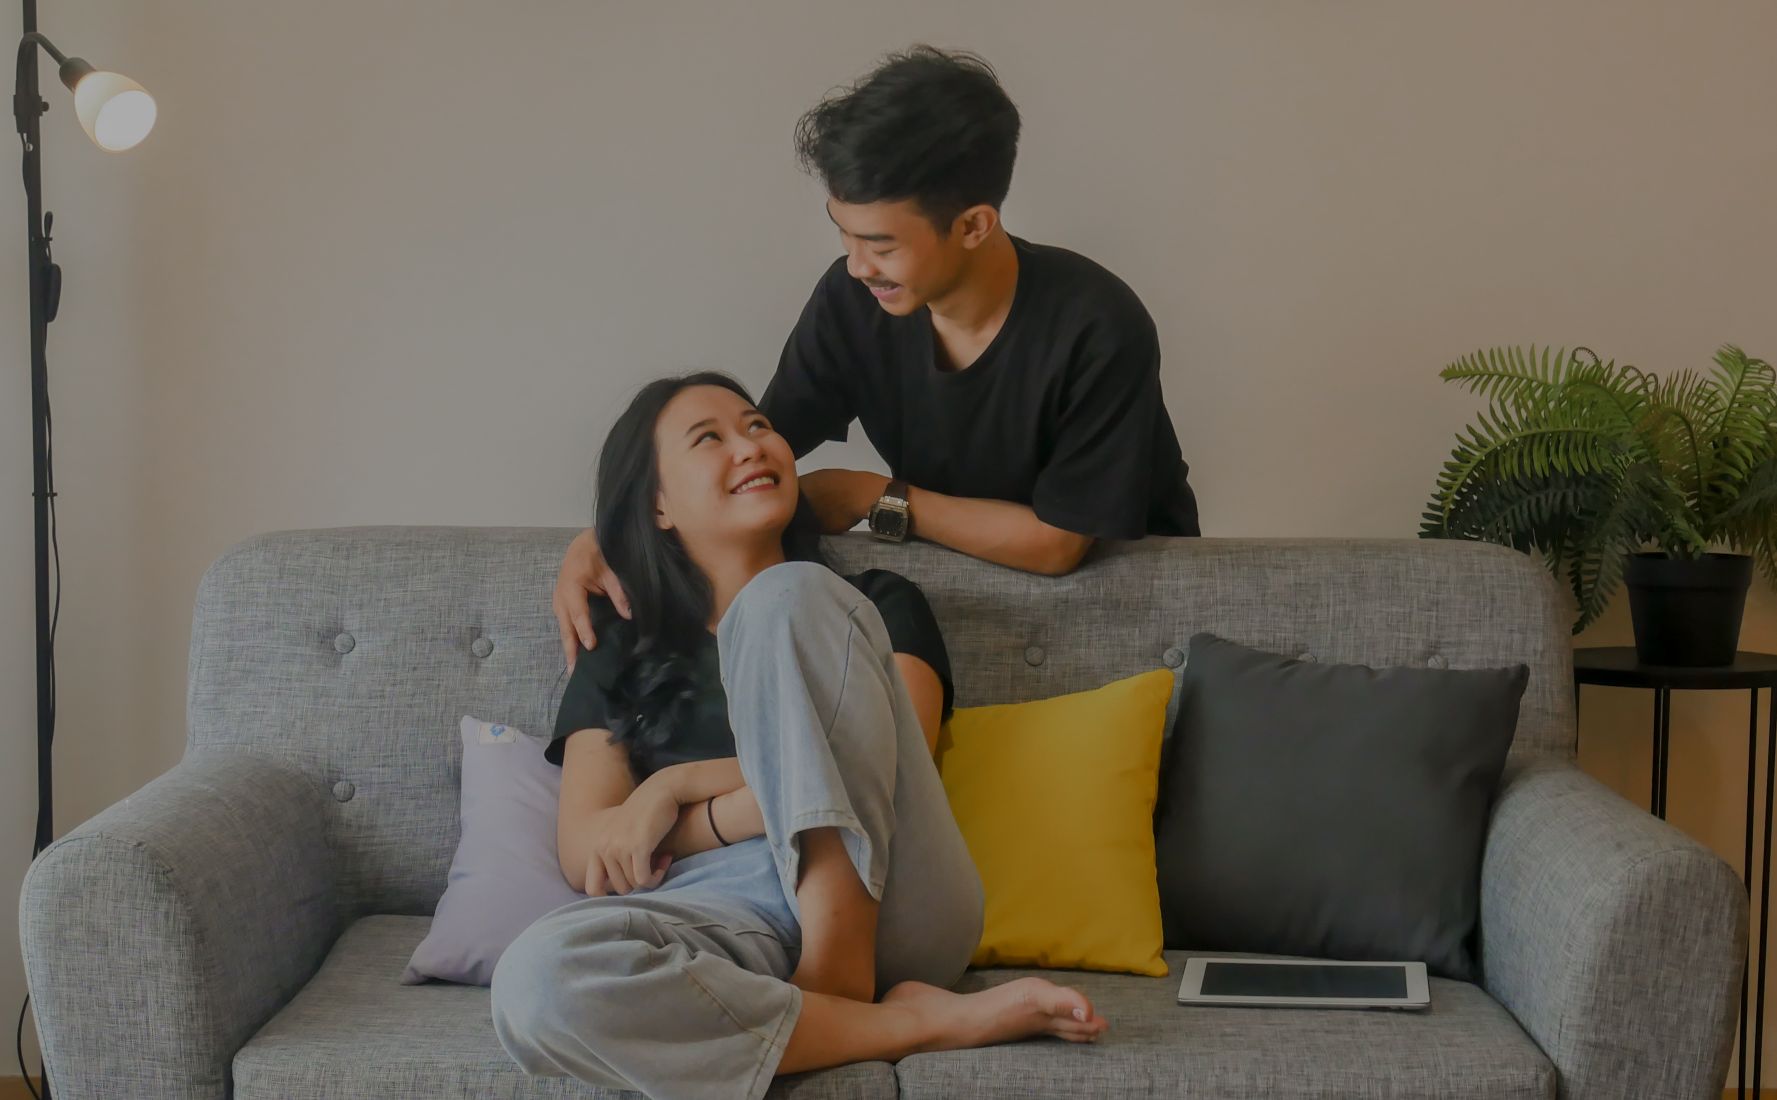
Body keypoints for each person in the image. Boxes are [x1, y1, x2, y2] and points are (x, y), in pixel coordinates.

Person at [491, 373, 1108, 1100]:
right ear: (658, 503)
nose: (750, 445)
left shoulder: (871, 604)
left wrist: (672, 791)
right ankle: (902, 1024)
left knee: (780, 598)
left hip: (893, 900)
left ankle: (836, 973)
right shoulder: (623, 641)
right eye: (709, 439)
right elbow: (590, 851)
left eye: (757, 426)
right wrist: (722, 812)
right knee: (535, 981)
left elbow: (870, 769)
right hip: (725, 917)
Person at [553, 45, 1200, 667]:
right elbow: (762, 444)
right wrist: (616, 530)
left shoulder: (1097, 325)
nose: (858, 265)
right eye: (844, 233)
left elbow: (1060, 543)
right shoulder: (851, 301)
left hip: (1116, 606)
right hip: (944, 586)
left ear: (973, 225)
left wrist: (873, 497)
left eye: (881, 246)